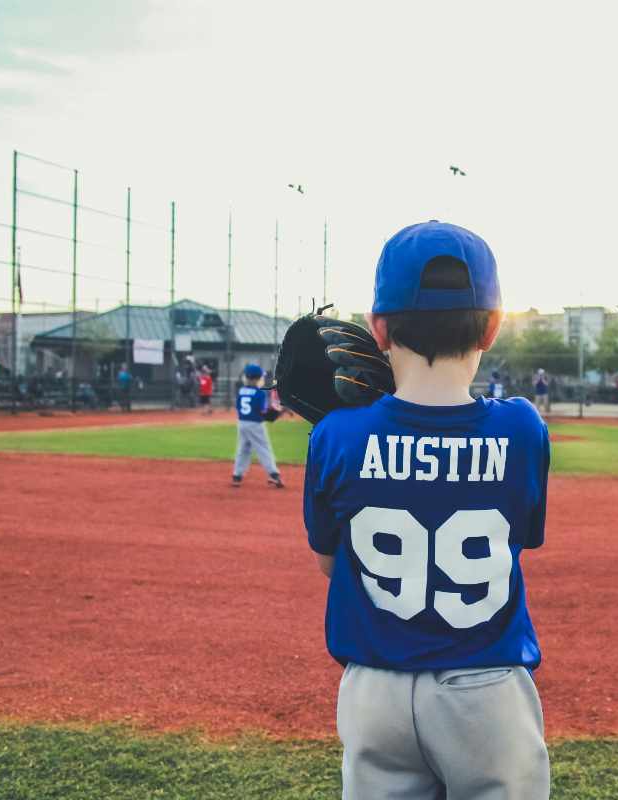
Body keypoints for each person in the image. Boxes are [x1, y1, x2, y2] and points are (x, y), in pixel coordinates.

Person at [303, 221, 551, 799]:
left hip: (374, 692)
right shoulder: (521, 427)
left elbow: (328, 564)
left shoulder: (336, 435)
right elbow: (523, 538)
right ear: (492, 326)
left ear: (378, 328)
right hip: (484, 688)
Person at [231, 364, 283, 488]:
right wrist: (276, 413)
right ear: (256, 379)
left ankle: (237, 476)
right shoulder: (259, 393)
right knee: (263, 448)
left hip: (242, 423)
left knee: (243, 449)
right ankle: (274, 474)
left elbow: (238, 407)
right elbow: (263, 411)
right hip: (255, 424)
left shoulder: (241, 390)